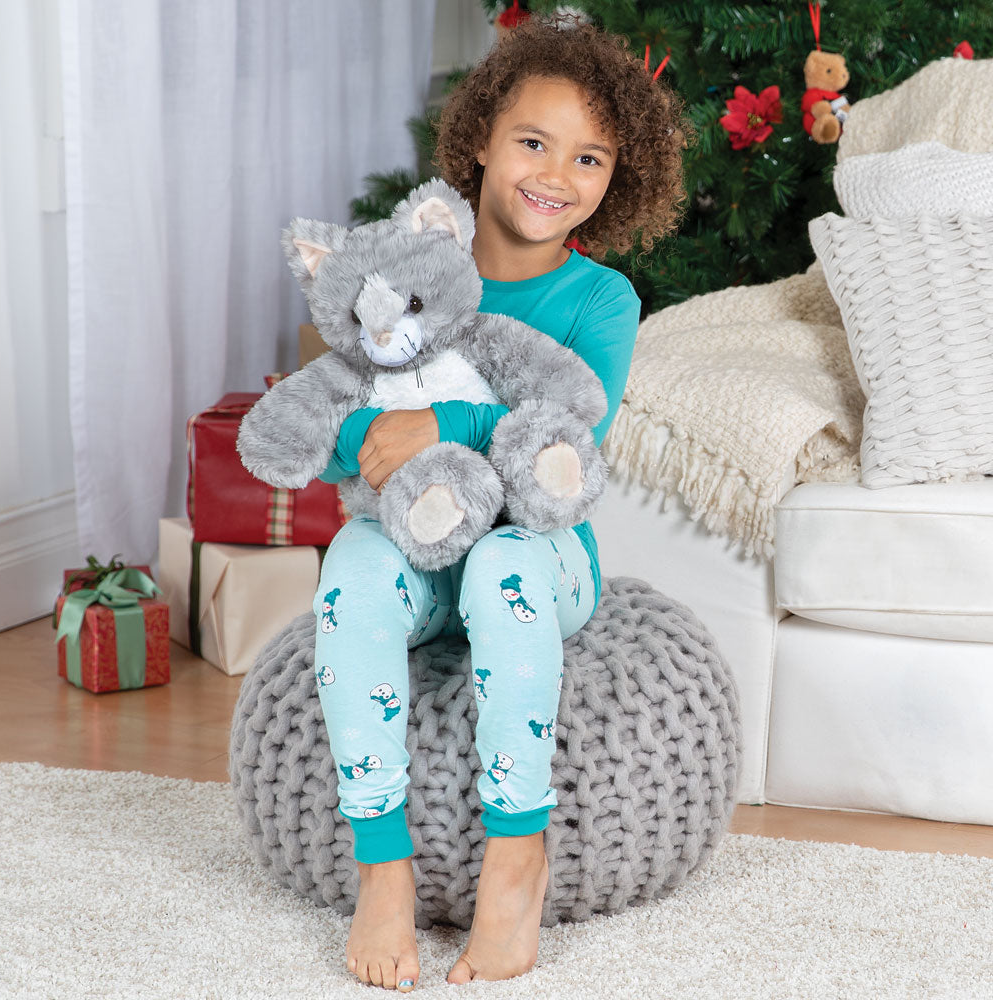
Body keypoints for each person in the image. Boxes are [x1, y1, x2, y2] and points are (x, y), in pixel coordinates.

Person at [313, 15, 689, 991]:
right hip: (410, 547)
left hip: (535, 548)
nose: (555, 173)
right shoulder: (398, 273)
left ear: (619, 176)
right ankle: (381, 866)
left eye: (589, 157)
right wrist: (367, 439)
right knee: (351, 572)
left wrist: (441, 423)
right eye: (533, 141)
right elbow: (322, 413)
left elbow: (566, 435)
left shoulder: (600, 301)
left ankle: (516, 855)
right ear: (479, 136)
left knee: (502, 562)